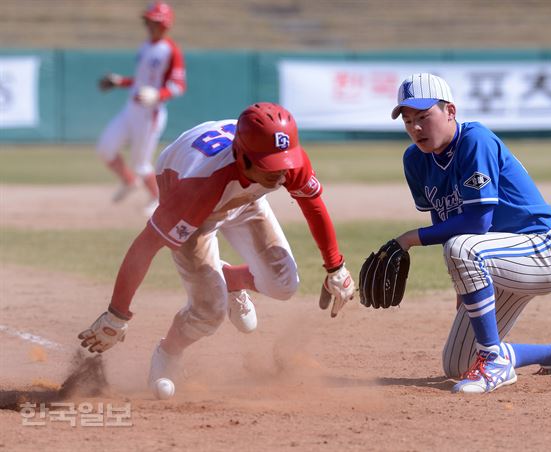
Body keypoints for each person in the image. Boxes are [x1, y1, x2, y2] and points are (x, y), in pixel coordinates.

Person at [78, 102, 356, 393]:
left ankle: (231, 280)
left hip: (244, 198)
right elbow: (145, 246)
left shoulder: (285, 159)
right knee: (208, 310)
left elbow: (312, 205)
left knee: (284, 284)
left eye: (284, 163)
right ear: (242, 157)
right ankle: (168, 353)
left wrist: (336, 267)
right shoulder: (199, 187)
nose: (281, 174)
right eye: (270, 166)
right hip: (191, 195)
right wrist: (117, 314)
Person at [387, 73, 551, 393]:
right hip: (497, 261)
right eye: (408, 120)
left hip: (542, 248)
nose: (416, 128)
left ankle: (495, 362)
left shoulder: (474, 139)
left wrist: (409, 238)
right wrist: (463, 300)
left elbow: (478, 223)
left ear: (450, 111)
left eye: (424, 117)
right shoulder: (415, 160)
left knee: (461, 247)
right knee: (458, 365)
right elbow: (446, 222)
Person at [96, 1, 186, 216]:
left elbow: (178, 86)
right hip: (131, 108)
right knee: (105, 148)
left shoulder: (170, 50)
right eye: (147, 21)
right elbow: (142, 81)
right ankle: (129, 182)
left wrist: (158, 94)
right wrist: (121, 82)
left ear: (165, 25)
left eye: (153, 21)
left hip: (150, 113)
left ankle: (159, 199)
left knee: (141, 163)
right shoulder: (145, 46)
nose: (148, 25)